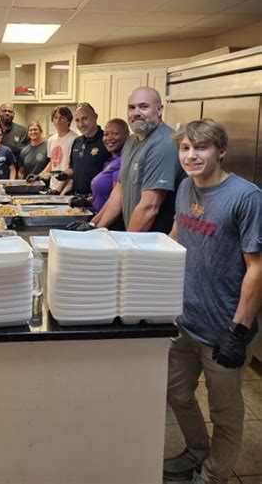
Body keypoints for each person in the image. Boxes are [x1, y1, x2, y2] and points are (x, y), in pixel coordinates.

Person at [164, 119, 261, 484]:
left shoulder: (246, 197)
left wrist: (239, 329)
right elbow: (176, 235)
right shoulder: (186, 187)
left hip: (225, 327)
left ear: (220, 151)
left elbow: (257, 268)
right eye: (185, 148)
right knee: (177, 393)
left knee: (225, 413)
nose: (192, 155)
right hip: (186, 318)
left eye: (201, 147)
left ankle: (214, 475)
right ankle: (197, 451)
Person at [93, 87, 184, 232]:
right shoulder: (130, 141)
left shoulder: (164, 144)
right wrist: (94, 227)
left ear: (159, 110)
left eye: (143, 107)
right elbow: (119, 191)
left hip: (154, 242)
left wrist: (127, 247)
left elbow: (149, 207)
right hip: (135, 236)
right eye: (131, 107)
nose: (136, 113)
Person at [56, 102, 111, 196]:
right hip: (75, 198)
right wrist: (65, 175)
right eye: (77, 120)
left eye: (85, 118)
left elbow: (112, 176)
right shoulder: (77, 141)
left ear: (95, 117)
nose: (81, 124)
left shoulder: (107, 141)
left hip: (97, 200)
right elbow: (72, 168)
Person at [90, 118, 129, 213]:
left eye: (115, 133)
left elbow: (116, 201)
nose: (109, 138)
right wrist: (87, 201)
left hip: (109, 222)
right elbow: (105, 194)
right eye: (106, 134)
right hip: (97, 215)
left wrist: (95, 224)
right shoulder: (109, 161)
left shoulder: (122, 162)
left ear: (127, 135)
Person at [43, 106, 77, 195]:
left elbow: (72, 168)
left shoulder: (75, 139)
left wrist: (58, 190)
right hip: (52, 187)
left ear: (69, 120)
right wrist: (39, 176)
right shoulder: (51, 140)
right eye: (56, 117)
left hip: (67, 189)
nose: (58, 121)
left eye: (62, 117)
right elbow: (52, 163)